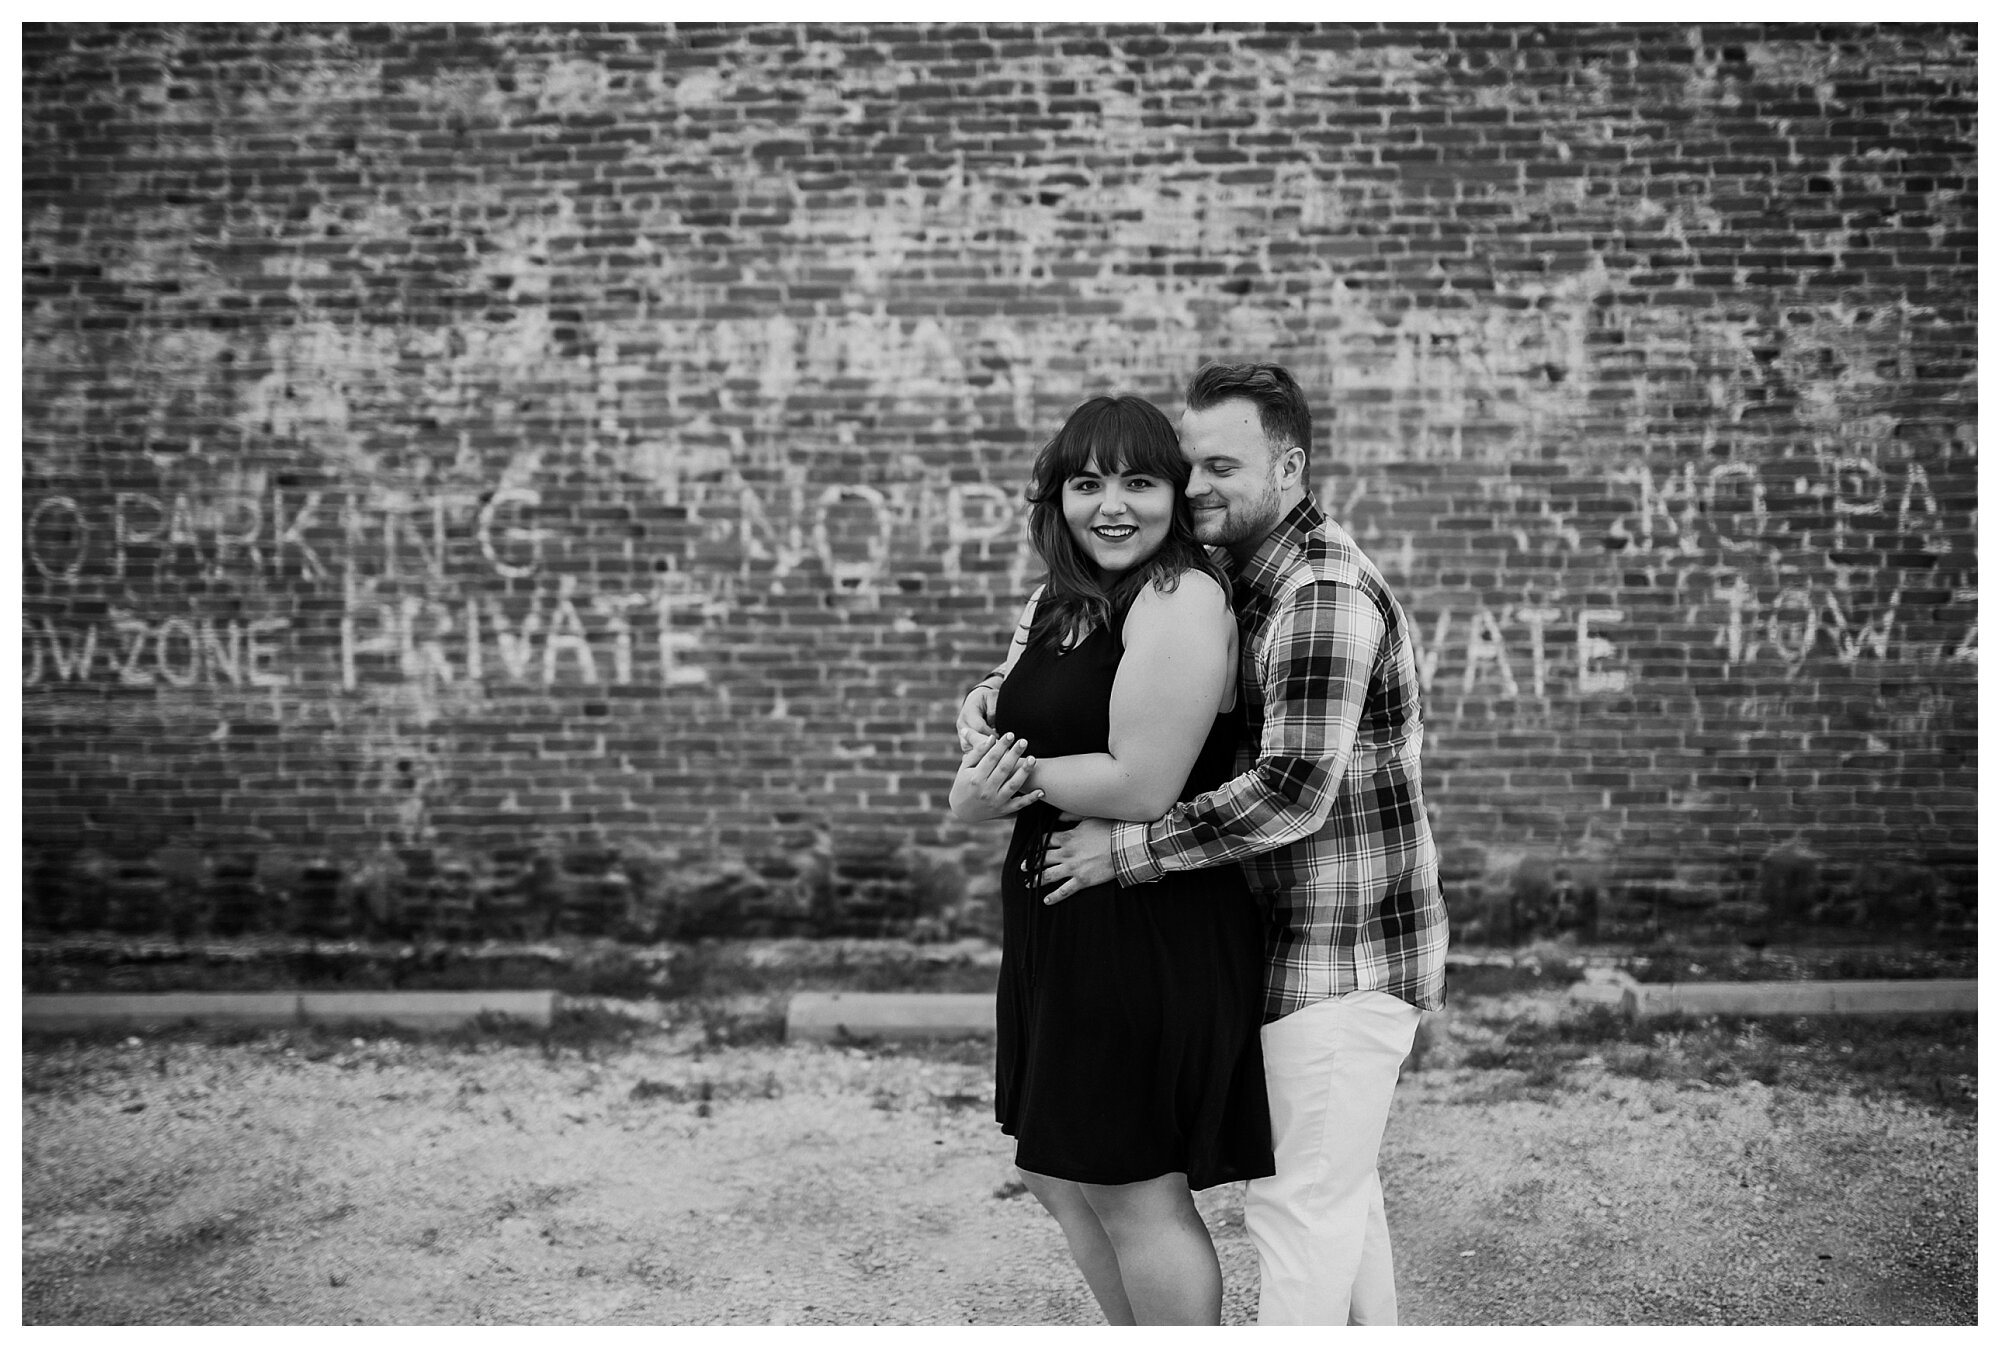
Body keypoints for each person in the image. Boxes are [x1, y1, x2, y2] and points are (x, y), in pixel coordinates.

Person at [960, 361, 1448, 1326]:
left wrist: (1117, 846)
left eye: (1219, 465)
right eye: (1189, 465)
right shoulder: (1234, 571)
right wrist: (993, 705)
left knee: (1299, 1207)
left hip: (1340, 949)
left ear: (1292, 466)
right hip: (1269, 930)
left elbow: (1287, 792)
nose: (1194, 487)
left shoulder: (1318, 592)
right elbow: (1106, 674)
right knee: (1338, 1202)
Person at [948, 393, 1274, 1326]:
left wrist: (997, 779)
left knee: (1134, 1188)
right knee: (1057, 1170)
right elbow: (1008, 708)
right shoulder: (1060, 598)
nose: (1113, 505)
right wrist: (978, 755)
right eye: (1088, 483)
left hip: (1143, 925)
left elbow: (1140, 782)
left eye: (1139, 481)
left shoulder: (1181, 595)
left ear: (1174, 494)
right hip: (1060, 917)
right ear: (1059, 497)